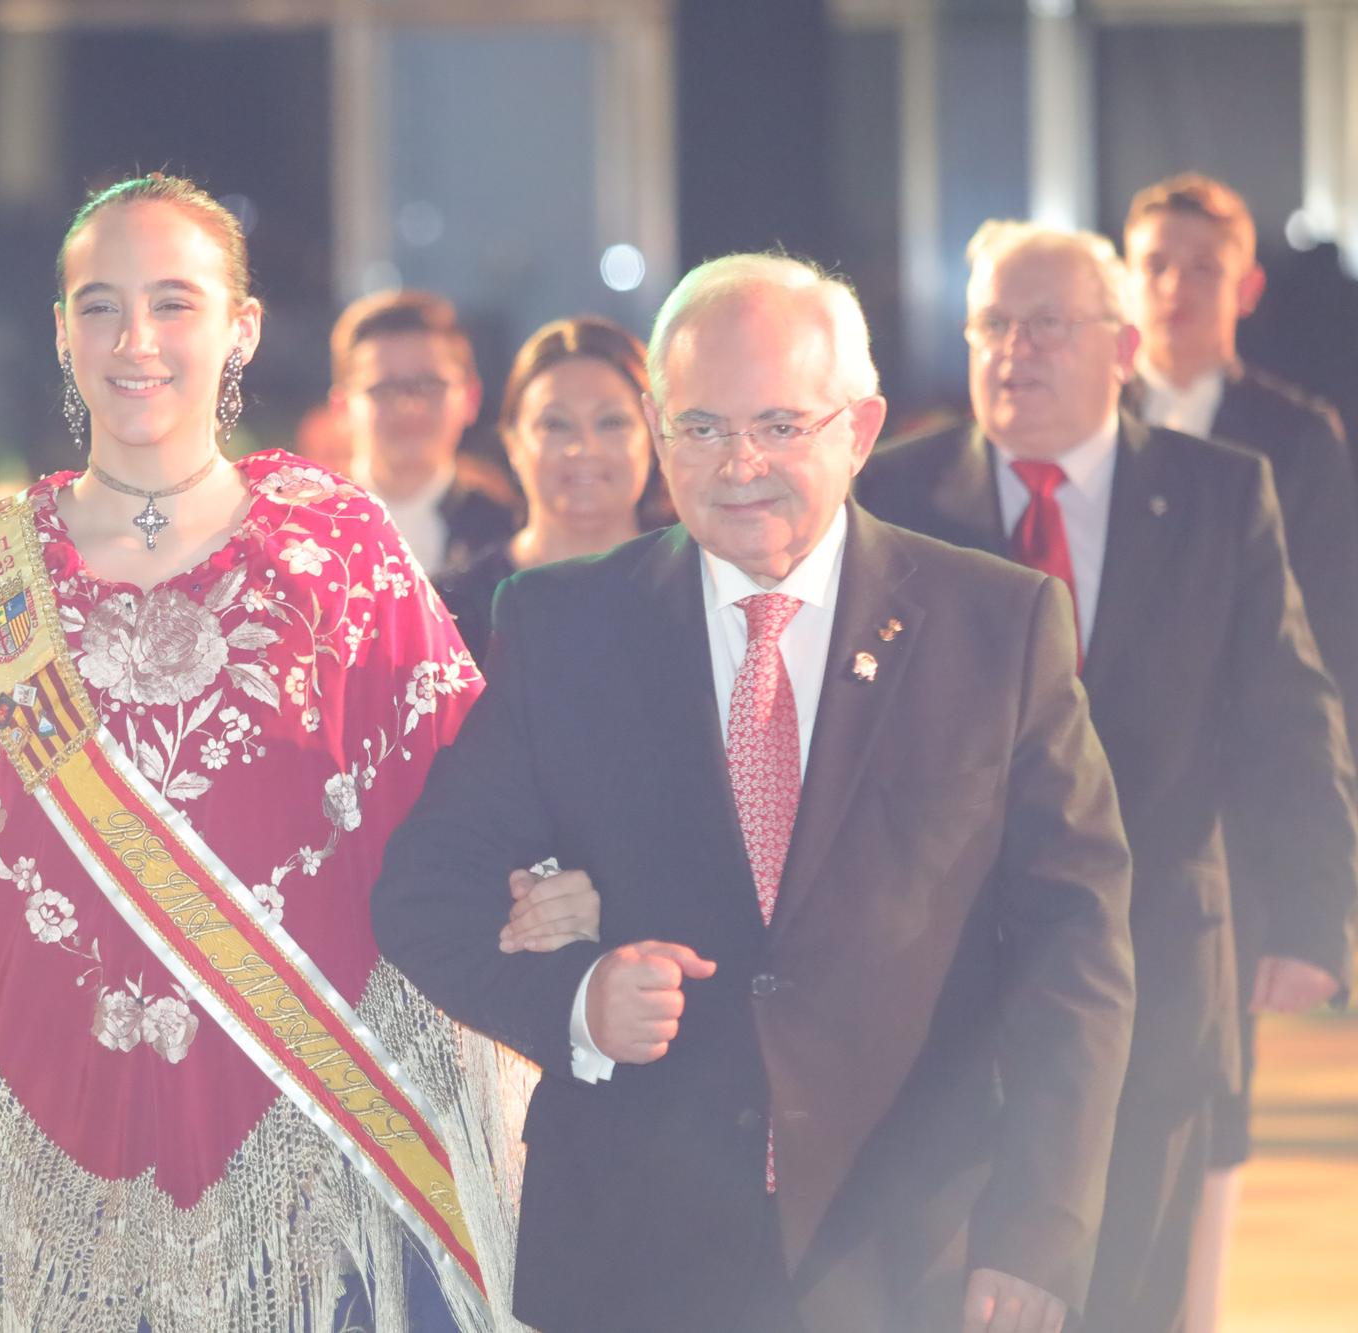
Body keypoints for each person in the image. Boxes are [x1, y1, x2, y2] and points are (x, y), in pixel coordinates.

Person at [0, 173, 575, 1333]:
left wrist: (555, 889)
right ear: (61, 329)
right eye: (98, 304)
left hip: (313, 1149)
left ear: (241, 327)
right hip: (21, 1173)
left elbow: (466, 800)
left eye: (173, 302)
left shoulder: (340, 550)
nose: (135, 341)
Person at [374, 252, 1140, 1333]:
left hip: (913, 1256)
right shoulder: (560, 628)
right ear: (656, 426)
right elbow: (422, 892)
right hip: (633, 1258)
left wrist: (1037, 1233)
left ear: (858, 428)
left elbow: (1078, 949)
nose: (738, 464)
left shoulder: (997, 627)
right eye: (700, 426)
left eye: (780, 423)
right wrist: (575, 1004)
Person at [858, 221, 1358, 1333]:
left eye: (1045, 324)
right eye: (990, 322)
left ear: (1120, 346)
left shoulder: (1219, 493)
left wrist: (1313, 915)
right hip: (940, 983)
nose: (1011, 350)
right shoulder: (889, 500)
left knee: (1130, 1281)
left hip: (1158, 966)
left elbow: (1286, 708)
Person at [1119, 172, 1358, 1333]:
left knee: (1211, 1093)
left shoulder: (1293, 438)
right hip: (1088, 804)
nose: (1172, 289)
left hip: (1227, 823)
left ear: (1245, 286)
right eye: (1153, 263)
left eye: (1199, 266)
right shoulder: (1080, 413)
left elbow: (1322, 653)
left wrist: (1313, 886)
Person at [439, 317, 655, 660]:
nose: (584, 447)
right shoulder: (451, 613)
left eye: (611, 422)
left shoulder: (697, 592)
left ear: (654, 434)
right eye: (555, 424)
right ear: (512, 443)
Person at [329, 290, 517, 578]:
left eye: (430, 385)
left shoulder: (505, 536)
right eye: (385, 388)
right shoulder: (307, 528)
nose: (409, 406)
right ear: (342, 408)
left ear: (471, 398)